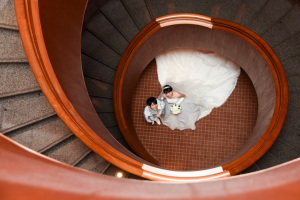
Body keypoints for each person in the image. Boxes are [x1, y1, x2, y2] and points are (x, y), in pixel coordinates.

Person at [156, 48, 240, 130]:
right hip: (173, 104)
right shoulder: (164, 95)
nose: (169, 95)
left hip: (180, 100)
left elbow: (183, 96)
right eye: (168, 94)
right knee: (171, 111)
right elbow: (162, 99)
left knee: (184, 108)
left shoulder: (177, 93)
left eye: (170, 93)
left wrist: (177, 104)